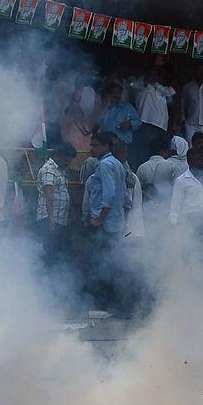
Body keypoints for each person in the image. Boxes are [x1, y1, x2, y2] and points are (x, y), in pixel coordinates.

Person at [84, 131, 130, 314]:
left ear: (106, 146)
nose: (92, 149)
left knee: (101, 264)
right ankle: (115, 304)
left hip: (104, 224)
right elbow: (125, 197)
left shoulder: (104, 165)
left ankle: (103, 305)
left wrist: (99, 219)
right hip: (116, 223)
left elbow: (109, 195)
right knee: (112, 262)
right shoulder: (118, 164)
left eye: (95, 145)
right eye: (91, 145)